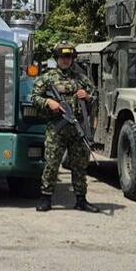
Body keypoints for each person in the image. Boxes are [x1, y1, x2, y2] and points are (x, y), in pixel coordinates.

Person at [33, 42, 99, 213]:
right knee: (52, 163)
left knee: (79, 165)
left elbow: (95, 95)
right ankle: (46, 198)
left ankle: (81, 199)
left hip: (77, 127)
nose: (65, 60)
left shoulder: (81, 78)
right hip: (57, 127)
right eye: (62, 57)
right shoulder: (47, 78)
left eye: (68, 57)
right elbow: (34, 97)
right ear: (57, 58)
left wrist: (87, 96)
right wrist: (49, 102)